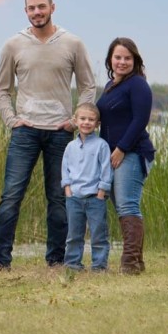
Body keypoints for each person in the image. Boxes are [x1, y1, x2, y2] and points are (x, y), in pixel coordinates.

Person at [0, 0, 96, 270]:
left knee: (60, 198)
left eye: (41, 6)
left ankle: (56, 260)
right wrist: (12, 120)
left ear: (52, 7)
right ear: (26, 11)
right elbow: (0, 89)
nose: (37, 12)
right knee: (11, 196)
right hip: (25, 131)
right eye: (31, 8)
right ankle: (0, 260)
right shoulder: (13, 44)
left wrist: (75, 121)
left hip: (61, 133)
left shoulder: (72, 43)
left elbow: (88, 86)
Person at [97, 37, 156, 274]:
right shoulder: (111, 85)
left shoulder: (138, 85)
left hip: (132, 152)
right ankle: (137, 263)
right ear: (110, 59)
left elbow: (140, 120)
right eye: (118, 57)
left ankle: (129, 264)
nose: (122, 62)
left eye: (127, 58)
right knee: (122, 206)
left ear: (135, 60)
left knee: (128, 205)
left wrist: (121, 148)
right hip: (113, 155)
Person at [61, 102, 112, 272]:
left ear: (97, 124)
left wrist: (101, 192)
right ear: (75, 121)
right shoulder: (70, 147)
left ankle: (99, 266)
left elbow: (106, 170)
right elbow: (65, 169)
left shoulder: (101, 145)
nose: (86, 122)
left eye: (91, 119)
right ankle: (73, 264)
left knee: (98, 234)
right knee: (74, 234)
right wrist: (67, 189)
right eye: (83, 118)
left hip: (94, 198)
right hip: (74, 197)